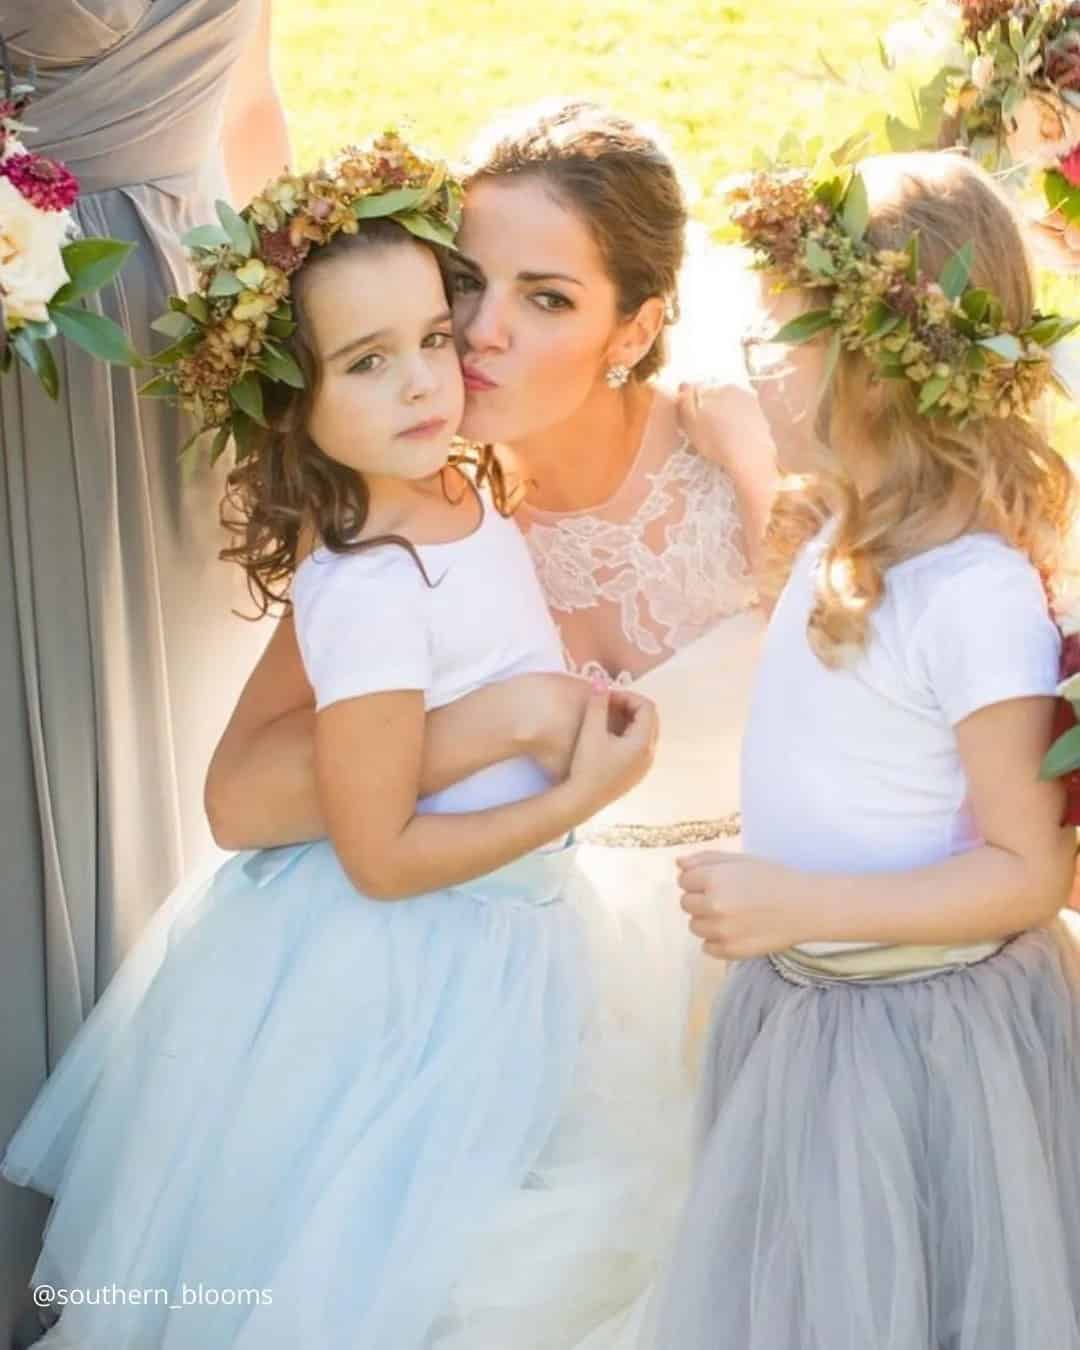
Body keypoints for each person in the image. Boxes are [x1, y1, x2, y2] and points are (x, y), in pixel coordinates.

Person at [0, 139, 661, 1348]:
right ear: (295, 405)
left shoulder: (460, 489)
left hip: (506, 936)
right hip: (405, 977)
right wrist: (573, 797)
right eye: (367, 364)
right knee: (365, 1271)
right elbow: (382, 855)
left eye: (429, 336)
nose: (423, 383)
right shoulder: (369, 582)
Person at [205, 94, 774, 1060]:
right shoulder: (428, 509)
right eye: (466, 282)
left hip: (766, 954)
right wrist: (497, 721)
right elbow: (239, 802)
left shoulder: (736, 444)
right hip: (535, 976)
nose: (478, 333)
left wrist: (764, 476)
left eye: (546, 298)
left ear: (633, 332)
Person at [647, 149, 1080, 1349]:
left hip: (920, 1041)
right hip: (810, 1010)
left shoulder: (972, 594)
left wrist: (799, 901)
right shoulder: (848, 528)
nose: (758, 356)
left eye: (784, 331)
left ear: (879, 367)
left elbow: (1031, 873)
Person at [0, 3, 289, 1344]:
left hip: (180, 331)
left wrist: (311, 355)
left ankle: (147, 1200)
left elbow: (251, 103)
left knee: (181, 750)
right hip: (60, 320)